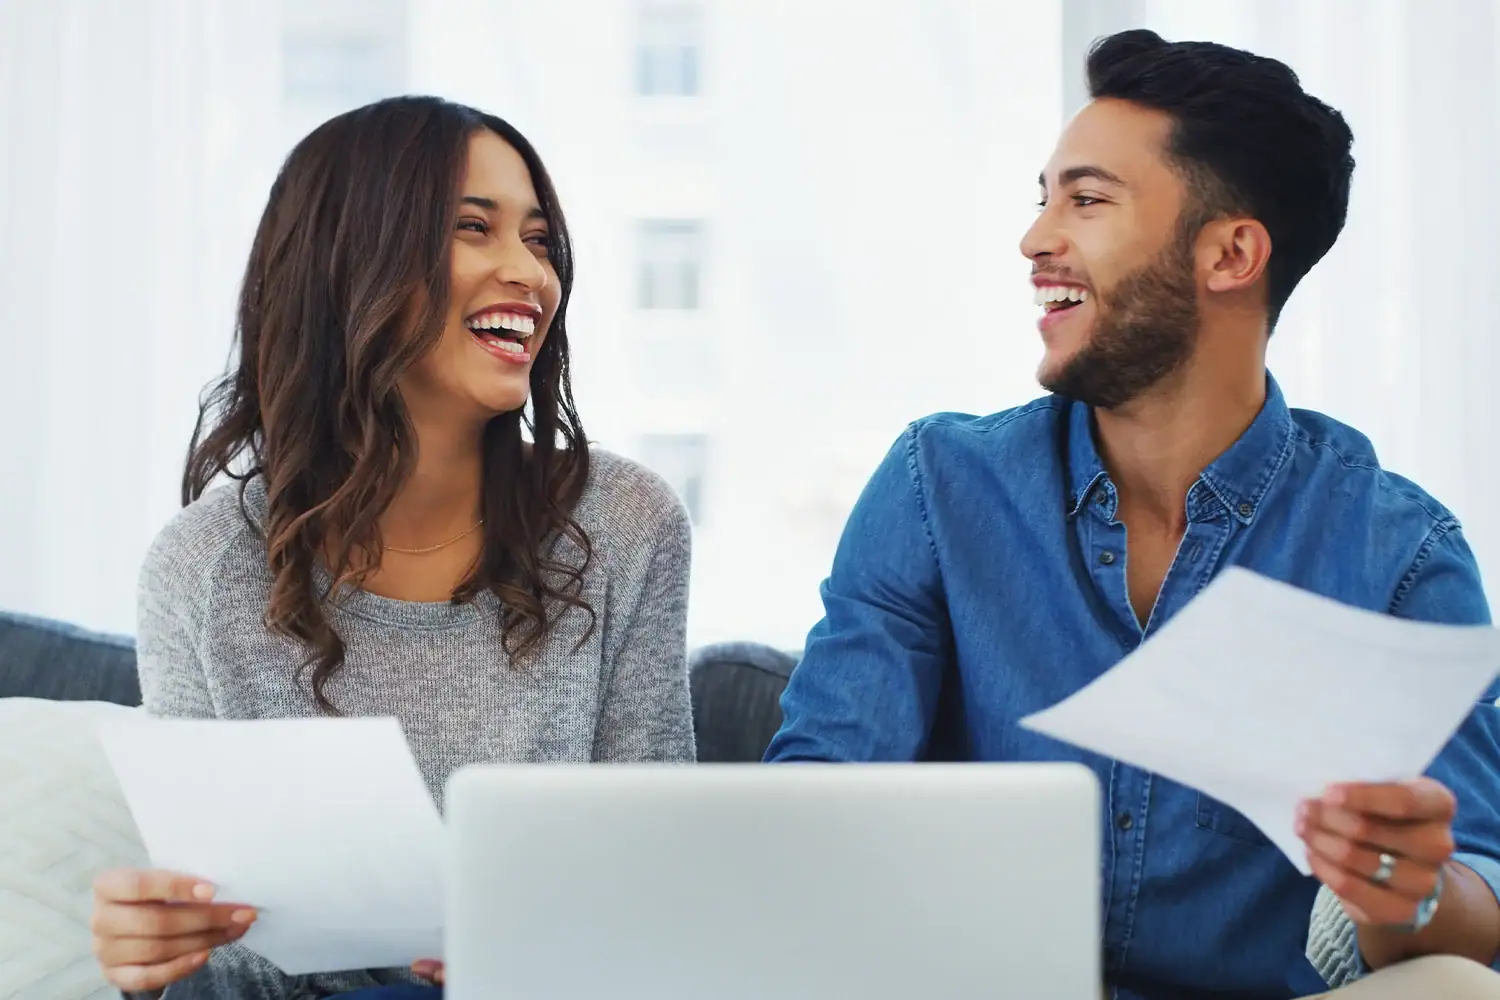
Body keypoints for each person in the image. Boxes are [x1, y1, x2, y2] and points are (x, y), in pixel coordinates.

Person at [765, 29, 1500, 1000]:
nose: (1036, 240)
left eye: (1087, 200)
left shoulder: (1397, 552)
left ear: (1230, 252)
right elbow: (814, 813)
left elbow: (1475, 904)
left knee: (1454, 989)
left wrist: (1401, 889)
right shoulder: (936, 486)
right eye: (1045, 198)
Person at [89, 96, 695, 1000]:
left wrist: (540, 954)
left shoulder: (623, 524)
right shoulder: (200, 569)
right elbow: (233, 963)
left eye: (539, 240)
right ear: (349, 262)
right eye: (472, 228)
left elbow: (664, 889)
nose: (528, 273)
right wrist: (154, 964)